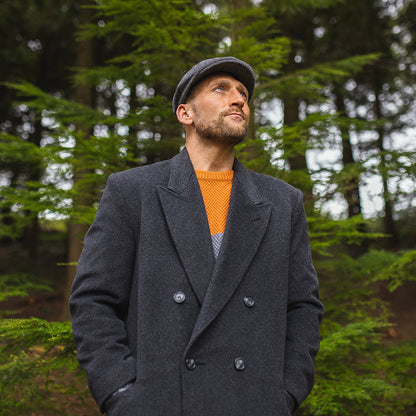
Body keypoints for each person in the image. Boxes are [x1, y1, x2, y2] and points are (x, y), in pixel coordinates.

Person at [70, 56, 324, 416]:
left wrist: (285, 391)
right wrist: (120, 391)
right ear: (185, 113)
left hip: (255, 403)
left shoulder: (283, 202)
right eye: (220, 89)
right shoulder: (132, 192)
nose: (238, 99)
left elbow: (303, 307)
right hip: (161, 404)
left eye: (243, 93)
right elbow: (93, 301)